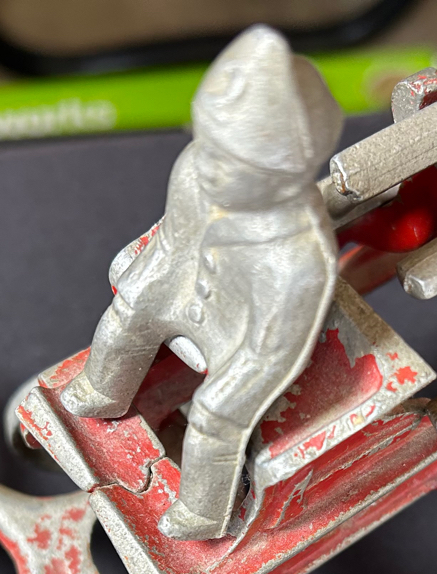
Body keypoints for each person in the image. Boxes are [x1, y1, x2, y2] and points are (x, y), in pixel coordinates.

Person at [59, 25, 342, 541]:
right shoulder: (195, 172)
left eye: (230, 163)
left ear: (283, 179)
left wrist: (227, 390)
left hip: (245, 343)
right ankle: (103, 389)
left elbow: (271, 351)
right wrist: (144, 293)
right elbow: (172, 249)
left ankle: (203, 511)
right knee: (131, 309)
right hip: (183, 289)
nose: (208, 166)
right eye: (207, 146)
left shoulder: (298, 259)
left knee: (215, 417)